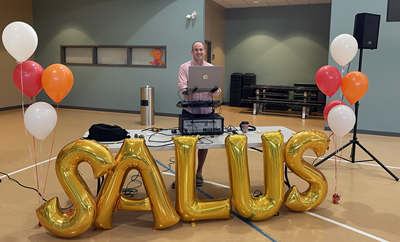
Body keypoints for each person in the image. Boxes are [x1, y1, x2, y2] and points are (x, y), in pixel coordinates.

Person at [172, 41, 221, 189]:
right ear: (192, 52)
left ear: (204, 52)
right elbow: (182, 87)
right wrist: (196, 89)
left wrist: (213, 90)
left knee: (204, 143)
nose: (198, 52)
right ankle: (182, 174)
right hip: (189, 111)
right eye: (196, 50)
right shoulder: (184, 67)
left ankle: (199, 173)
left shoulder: (211, 69)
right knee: (186, 145)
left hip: (207, 110)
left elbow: (217, 90)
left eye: (201, 49)